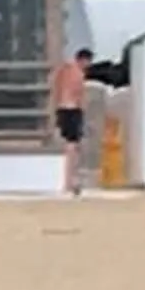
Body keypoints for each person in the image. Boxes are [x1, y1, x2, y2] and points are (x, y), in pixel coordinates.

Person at [52, 46, 92, 194]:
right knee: (72, 147)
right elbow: (78, 94)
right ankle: (69, 181)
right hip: (72, 109)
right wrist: (82, 108)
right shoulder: (78, 74)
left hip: (62, 108)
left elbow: (56, 88)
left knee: (69, 146)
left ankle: (69, 180)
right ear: (83, 60)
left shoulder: (64, 70)